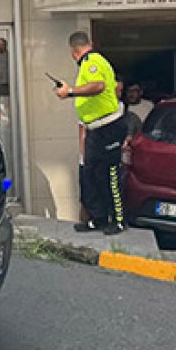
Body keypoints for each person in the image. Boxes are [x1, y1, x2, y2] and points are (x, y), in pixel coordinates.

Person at [56, 31, 127, 235]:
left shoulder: (92, 60)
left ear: (74, 52)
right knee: (92, 175)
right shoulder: (91, 63)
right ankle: (99, 218)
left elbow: (98, 86)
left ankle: (119, 220)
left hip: (108, 127)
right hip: (95, 129)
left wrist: (70, 92)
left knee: (110, 175)